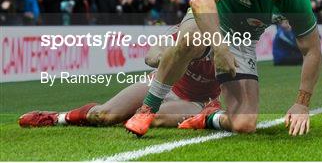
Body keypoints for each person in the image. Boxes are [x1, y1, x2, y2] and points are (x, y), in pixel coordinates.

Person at [125, 0, 322, 137]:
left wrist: (302, 104)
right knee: (192, 38)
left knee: (245, 124)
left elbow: (312, 50)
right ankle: (148, 108)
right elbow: (200, 0)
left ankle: (209, 116)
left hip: (243, 40)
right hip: (210, 21)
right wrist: (220, 47)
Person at [18, 30, 220, 128]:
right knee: (104, 115)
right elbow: (151, 54)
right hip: (161, 82)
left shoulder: (232, 41)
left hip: (195, 101)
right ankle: (57, 117)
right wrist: (168, 59)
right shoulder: (188, 30)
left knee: (153, 119)